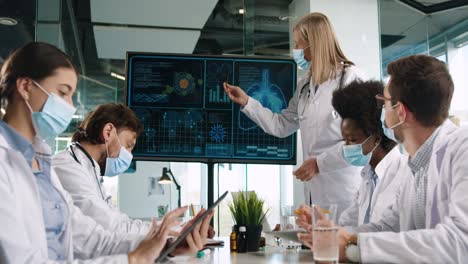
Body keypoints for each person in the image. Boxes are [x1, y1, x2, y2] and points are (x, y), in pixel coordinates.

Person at [0, 42, 213, 263]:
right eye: (62, 92)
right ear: (25, 87)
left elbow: (91, 239)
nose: (70, 106)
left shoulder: (40, 162)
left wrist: (166, 246)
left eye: (72, 95)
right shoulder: (19, 164)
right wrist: (134, 259)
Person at [299, 55, 468, 263]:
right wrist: (335, 237)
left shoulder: (462, 149)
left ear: (401, 112)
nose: (382, 112)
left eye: (385, 103)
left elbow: (460, 242)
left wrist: (353, 248)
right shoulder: (414, 164)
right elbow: (387, 226)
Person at [224, 12, 365, 215]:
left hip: (347, 195)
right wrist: (247, 102)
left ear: (314, 44)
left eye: (299, 44)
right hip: (315, 196)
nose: (295, 50)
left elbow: (361, 144)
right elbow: (282, 125)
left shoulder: (352, 80)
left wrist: (319, 164)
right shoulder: (305, 85)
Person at [53, 103, 216, 238]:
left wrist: (176, 230)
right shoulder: (67, 168)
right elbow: (111, 226)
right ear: (108, 132)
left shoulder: (90, 171)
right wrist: (170, 233)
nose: (129, 155)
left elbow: (120, 222)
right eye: (129, 145)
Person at [296, 80, 405, 237]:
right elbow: (348, 227)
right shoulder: (368, 178)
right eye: (345, 140)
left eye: (352, 140)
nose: (346, 147)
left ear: (376, 139)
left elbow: (384, 233)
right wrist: (321, 226)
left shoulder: (404, 176)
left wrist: (334, 234)